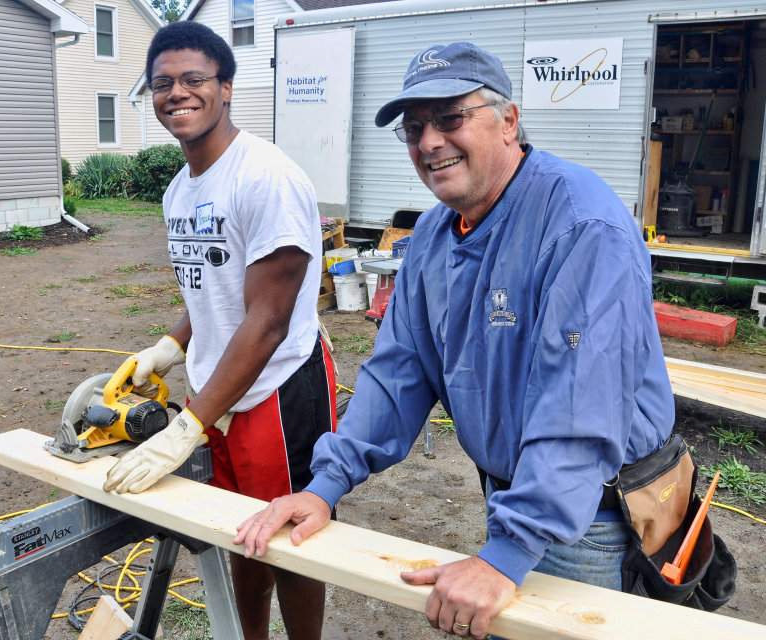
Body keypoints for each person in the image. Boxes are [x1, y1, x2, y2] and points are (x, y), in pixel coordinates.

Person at [235, 41, 675, 639]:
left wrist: (507, 553)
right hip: (518, 497)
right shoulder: (436, 235)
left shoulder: (580, 225)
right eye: (415, 128)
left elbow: (580, 404)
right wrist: (323, 487)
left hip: (592, 514)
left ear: (509, 121)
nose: (430, 142)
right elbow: (398, 372)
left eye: (451, 119)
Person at [102, 21, 336, 640]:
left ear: (226, 88)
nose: (176, 93)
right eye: (162, 84)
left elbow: (268, 319)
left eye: (193, 80)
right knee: (240, 533)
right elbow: (212, 284)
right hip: (219, 390)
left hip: (276, 390)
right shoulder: (180, 189)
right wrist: (172, 345)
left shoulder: (266, 177)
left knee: (290, 538)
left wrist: (188, 424)